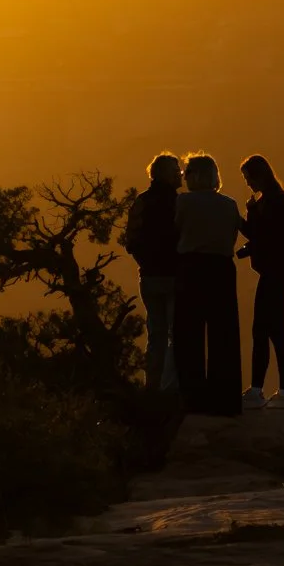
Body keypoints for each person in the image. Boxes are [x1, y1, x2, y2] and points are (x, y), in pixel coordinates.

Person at [173, 153, 244, 416]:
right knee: (224, 334)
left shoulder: (184, 202)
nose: (184, 178)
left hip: (191, 268)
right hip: (223, 270)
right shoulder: (230, 204)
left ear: (197, 175)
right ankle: (225, 399)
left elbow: (176, 231)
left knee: (188, 334)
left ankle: (193, 399)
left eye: (187, 173)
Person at [238, 154, 284, 410]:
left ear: (258, 175)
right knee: (269, 331)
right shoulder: (275, 200)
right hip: (277, 272)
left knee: (268, 331)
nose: (248, 184)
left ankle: (268, 392)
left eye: (248, 178)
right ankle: (272, 391)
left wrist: (244, 217)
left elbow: (261, 235)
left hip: (274, 273)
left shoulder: (272, 203)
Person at [122, 154, 183, 392]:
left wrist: (146, 262)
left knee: (155, 334)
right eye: (177, 170)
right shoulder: (179, 204)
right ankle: (172, 389)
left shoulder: (142, 202)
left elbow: (131, 241)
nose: (181, 174)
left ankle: (153, 387)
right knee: (176, 335)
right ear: (167, 174)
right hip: (174, 277)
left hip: (149, 277)